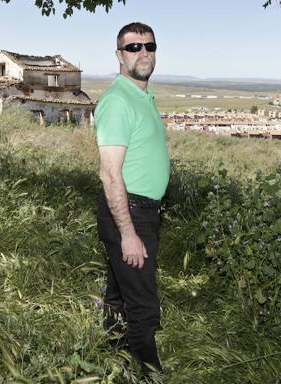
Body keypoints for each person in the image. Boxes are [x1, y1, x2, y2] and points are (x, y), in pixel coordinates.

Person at [94, 22, 170, 374]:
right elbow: (110, 174)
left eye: (148, 46)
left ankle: (109, 358)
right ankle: (148, 375)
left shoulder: (142, 96)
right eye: (133, 47)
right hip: (130, 213)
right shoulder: (118, 100)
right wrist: (127, 232)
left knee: (119, 295)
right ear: (119, 55)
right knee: (144, 308)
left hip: (143, 211)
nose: (143, 53)